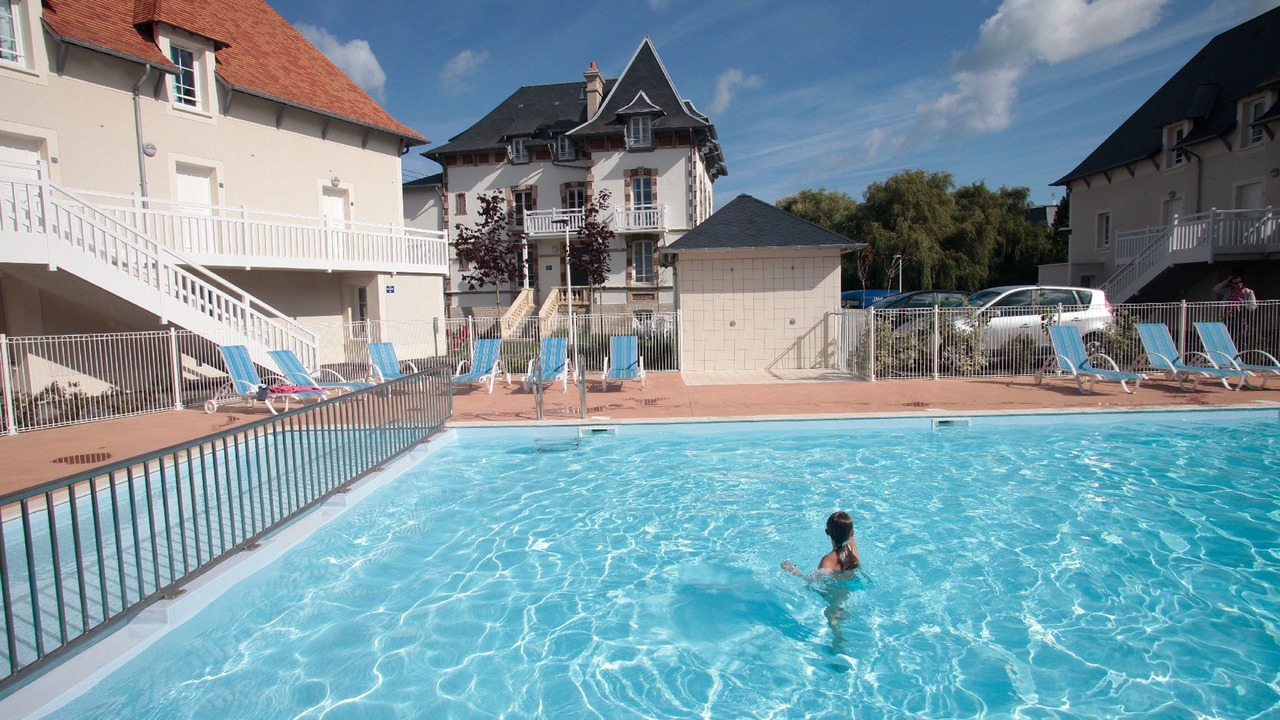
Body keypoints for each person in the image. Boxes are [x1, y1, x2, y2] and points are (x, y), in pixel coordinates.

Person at [781, 511, 860, 578]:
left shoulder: (828, 560)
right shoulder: (853, 553)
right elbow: (850, 537)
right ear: (852, 533)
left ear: (827, 532)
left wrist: (792, 570)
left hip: (832, 595)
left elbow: (812, 582)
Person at [1214, 274, 1258, 342]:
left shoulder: (1248, 292)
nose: (1239, 284)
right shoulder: (1228, 291)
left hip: (1241, 315)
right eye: (1236, 283)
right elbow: (1216, 289)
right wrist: (1227, 281)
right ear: (1232, 284)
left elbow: (1253, 305)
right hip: (1228, 314)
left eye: (1240, 282)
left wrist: (1243, 306)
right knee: (1228, 331)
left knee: (1239, 331)